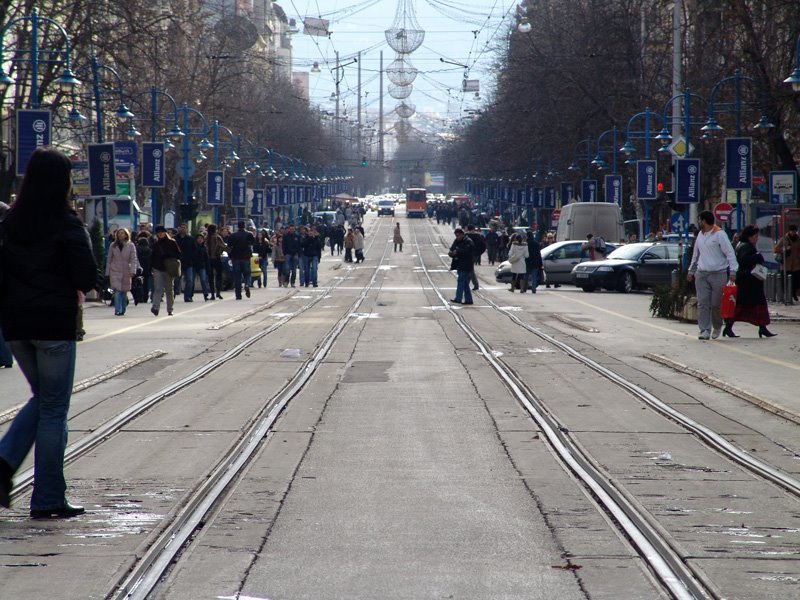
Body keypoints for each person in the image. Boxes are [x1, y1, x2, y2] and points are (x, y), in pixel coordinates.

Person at [0, 147, 97, 518]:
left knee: (43, 398)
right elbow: (86, 277)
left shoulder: (10, 223)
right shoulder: (65, 222)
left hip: (16, 326)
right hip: (54, 324)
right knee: (54, 408)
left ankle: (5, 461)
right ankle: (48, 498)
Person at [687, 210, 738, 340]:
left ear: (704, 221)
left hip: (718, 274)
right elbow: (695, 254)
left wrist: (733, 271)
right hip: (702, 274)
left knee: (716, 304)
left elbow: (730, 253)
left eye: (699, 220)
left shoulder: (719, 234)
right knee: (703, 303)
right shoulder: (700, 235)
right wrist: (691, 271)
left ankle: (717, 325)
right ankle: (704, 330)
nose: (698, 222)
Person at [723, 225, 775, 338]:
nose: (757, 238)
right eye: (755, 236)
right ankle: (728, 327)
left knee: (754, 305)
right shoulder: (746, 247)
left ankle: (762, 328)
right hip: (748, 282)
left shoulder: (741, 245)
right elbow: (743, 259)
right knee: (745, 306)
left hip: (749, 281)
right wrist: (757, 257)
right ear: (749, 236)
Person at [105, 228, 139, 316]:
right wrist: (107, 272)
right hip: (115, 270)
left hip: (126, 271)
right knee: (116, 291)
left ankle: (123, 308)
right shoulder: (113, 245)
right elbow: (109, 259)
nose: (120, 235)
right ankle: (117, 309)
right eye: (119, 233)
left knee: (124, 292)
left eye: (122, 233)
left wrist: (133, 270)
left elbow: (133, 259)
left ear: (126, 235)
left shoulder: (130, 245)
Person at [150, 225, 181, 316]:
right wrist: (151, 267)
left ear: (165, 233)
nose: (160, 234)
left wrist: (169, 255)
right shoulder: (155, 245)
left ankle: (170, 309)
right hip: (158, 268)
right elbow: (152, 257)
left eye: (162, 232)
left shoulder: (172, 243)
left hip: (169, 269)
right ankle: (156, 307)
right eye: (158, 233)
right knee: (158, 289)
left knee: (169, 290)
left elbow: (178, 254)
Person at [228, 220, 255, 299]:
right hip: (246, 257)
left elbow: (229, 246)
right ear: (244, 226)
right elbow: (253, 242)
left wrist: (230, 256)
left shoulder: (233, 235)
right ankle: (247, 284)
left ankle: (238, 295)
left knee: (237, 277)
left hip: (236, 258)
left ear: (238, 226)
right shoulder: (249, 234)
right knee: (247, 273)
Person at [774, 224, 800, 301]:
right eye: (792, 231)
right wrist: (784, 249)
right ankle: (788, 296)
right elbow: (776, 249)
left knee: (796, 280)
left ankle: (794, 293)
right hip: (786, 264)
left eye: (795, 231)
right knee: (785, 281)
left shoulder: (798, 239)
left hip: (796, 264)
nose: (793, 233)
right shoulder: (784, 239)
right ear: (789, 231)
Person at [448, 228, 475, 305]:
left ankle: (458, 298)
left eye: (458, 235)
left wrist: (458, 251)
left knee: (461, 281)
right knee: (465, 283)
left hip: (466, 265)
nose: (457, 237)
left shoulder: (468, 241)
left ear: (462, 234)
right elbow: (451, 249)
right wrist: (451, 253)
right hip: (459, 264)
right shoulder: (456, 241)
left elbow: (468, 252)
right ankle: (469, 300)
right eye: (456, 236)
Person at [206, 224, 228, 299]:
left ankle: (212, 294)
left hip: (209, 259)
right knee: (219, 276)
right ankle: (218, 292)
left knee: (210, 277)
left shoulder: (207, 238)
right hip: (217, 258)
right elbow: (224, 246)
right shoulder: (217, 237)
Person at [175, 223, 195, 302]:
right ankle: (174, 294)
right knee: (176, 280)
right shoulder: (175, 239)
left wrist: (192, 259)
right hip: (178, 262)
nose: (183, 229)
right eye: (181, 227)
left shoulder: (190, 239)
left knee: (189, 280)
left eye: (184, 228)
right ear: (179, 228)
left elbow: (194, 250)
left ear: (186, 229)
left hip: (188, 263)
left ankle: (187, 296)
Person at [465, 225, 486, 291]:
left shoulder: (466, 236)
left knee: (469, 269)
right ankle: (474, 284)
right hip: (474, 255)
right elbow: (483, 246)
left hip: (469, 254)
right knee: (470, 269)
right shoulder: (478, 236)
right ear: (473, 229)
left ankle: (468, 284)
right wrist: (478, 253)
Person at [192, 233, 212, 301]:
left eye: (201, 239)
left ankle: (205, 294)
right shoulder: (193, 247)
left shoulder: (204, 248)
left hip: (202, 266)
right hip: (194, 265)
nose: (200, 240)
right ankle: (190, 295)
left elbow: (206, 259)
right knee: (191, 281)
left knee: (203, 280)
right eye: (198, 238)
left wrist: (208, 267)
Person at [135, 233, 153, 304]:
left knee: (138, 283)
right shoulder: (149, 250)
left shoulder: (137, 249)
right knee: (146, 284)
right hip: (147, 268)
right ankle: (145, 297)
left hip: (139, 269)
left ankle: (139, 297)